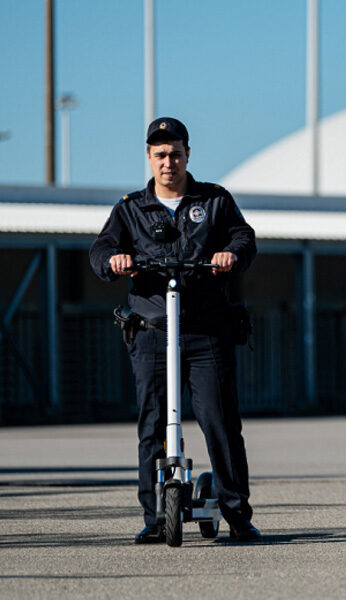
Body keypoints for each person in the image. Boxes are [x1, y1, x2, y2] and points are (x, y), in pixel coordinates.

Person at [89, 117, 260, 543]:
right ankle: (153, 518)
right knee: (152, 425)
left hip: (205, 329)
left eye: (176, 153)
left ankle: (237, 514)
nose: (169, 162)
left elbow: (244, 237)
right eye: (160, 154)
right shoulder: (130, 208)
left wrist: (230, 254)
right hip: (152, 330)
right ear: (149, 158)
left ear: (187, 154)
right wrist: (114, 262)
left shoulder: (214, 200)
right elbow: (101, 248)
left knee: (219, 421)